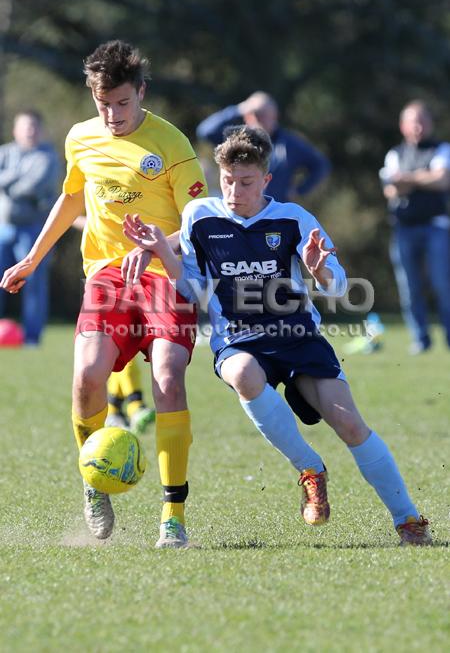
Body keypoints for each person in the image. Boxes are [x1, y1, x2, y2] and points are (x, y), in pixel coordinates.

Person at [123, 125, 432, 546]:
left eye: (246, 182)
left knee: (350, 424)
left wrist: (318, 268)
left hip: (297, 335)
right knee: (244, 374)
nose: (235, 190)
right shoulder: (200, 216)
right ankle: (310, 468)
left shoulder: (293, 219)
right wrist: (163, 252)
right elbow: (193, 290)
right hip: (238, 336)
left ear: (266, 180)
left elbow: (339, 288)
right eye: (228, 180)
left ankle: (408, 520)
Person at [0, 40, 207, 548]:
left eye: (121, 103)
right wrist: (34, 258)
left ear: (141, 92)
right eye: (102, 104)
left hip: (165, 275)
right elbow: (72, 198)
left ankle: (172, 516)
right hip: (108, 276)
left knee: (167, 380)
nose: (112, 115)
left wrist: (159, 245)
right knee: (87, 379)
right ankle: (95, 484)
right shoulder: (80, 139)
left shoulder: (172, 145)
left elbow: (204, 221)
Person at [72, 215, 155, 432]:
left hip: (146, 273)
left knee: (122, 353)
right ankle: (134, 406)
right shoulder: (92, 188)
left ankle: (119, 408)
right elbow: (73, 216)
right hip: (108, 274)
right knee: (114, 351)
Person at [380, 100, 450, 354]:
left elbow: (442, 180)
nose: (418, 126)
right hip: (404, 228)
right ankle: (421, 339)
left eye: (423, 120)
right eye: (413, 121)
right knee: (409, 288)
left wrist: (407, 179)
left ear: (430, 123)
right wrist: (424, 176)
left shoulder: (442, 149)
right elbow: (391, 190)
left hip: (436, 227)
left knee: (444, 285)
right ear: (403, 126)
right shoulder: (395, 153)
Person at [196, 91, 330, 203]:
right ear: (248, 116)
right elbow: (205, 131)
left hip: (274, 215)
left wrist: (298, 190)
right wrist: (239, 109)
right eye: (257, 115)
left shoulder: (290, 144)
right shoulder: (236, 141)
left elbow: (320, 165)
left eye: (265, 115)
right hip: (238, 214)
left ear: (275, 116)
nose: (261, 120)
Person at [0, 110, 60, 344]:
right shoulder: (4, 152)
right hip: (3, 227)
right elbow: (21, 183)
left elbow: (32, 187)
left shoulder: (47, 157)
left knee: (33, 283)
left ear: (41, 130)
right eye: (25, 127)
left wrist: (8, 182)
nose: (29, 131)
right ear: (15, 130)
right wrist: (18, 175)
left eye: (34, 127)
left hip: (33, 230)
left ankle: (32, 338)